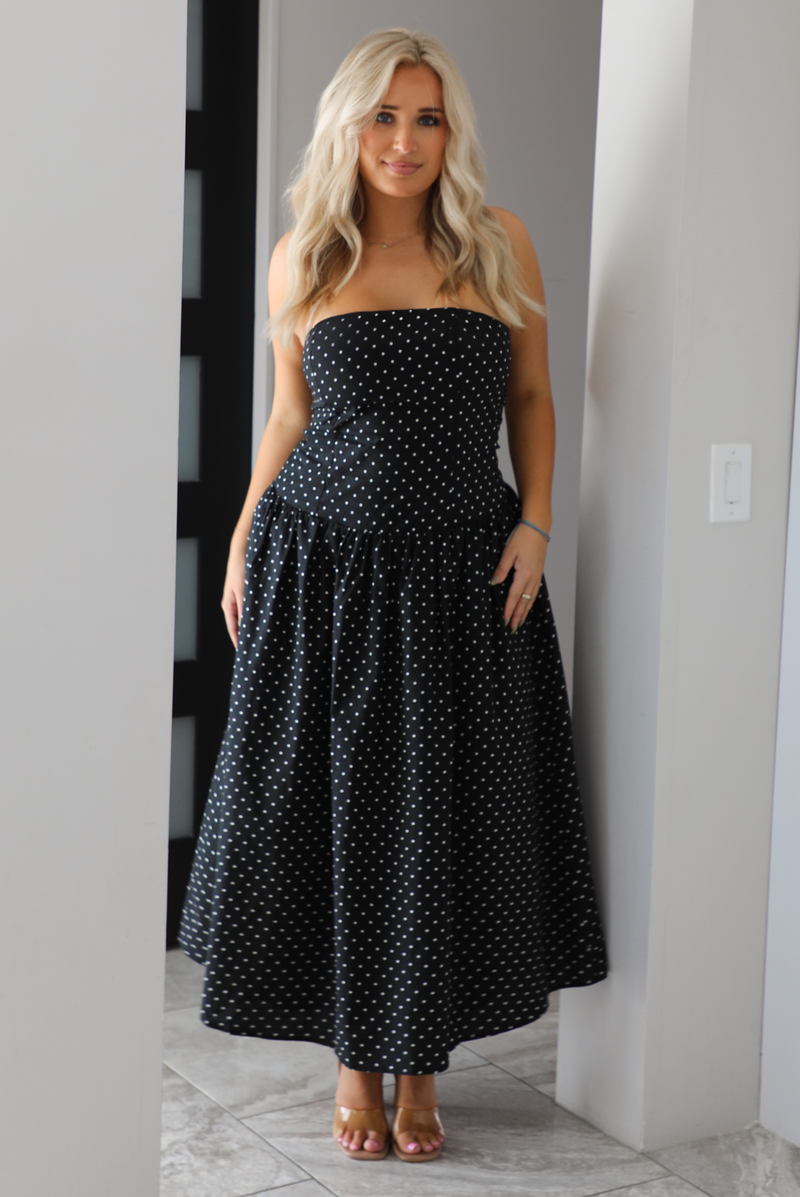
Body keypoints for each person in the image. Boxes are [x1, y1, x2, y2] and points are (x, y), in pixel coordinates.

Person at [178, 27, 607, 1165]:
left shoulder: (497, 243)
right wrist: (237, 540)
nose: (404, 141)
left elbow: (532, 398)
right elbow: (287, 414)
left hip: (465, 573)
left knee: (440, 820)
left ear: (449, 134)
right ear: (347, 128)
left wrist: (534, 522)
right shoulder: (302, 257)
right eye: (383, 117)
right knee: (335, 815)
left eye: (425, 118)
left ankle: (423, 1073)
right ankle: (356, 1071)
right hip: (322, 569)